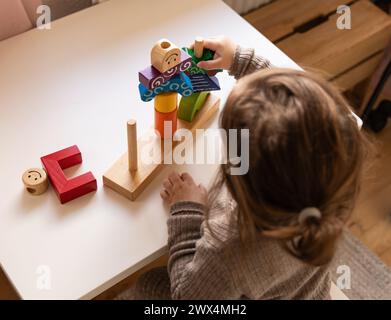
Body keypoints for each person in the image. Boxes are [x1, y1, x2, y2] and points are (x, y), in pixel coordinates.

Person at [133, 37, 369, 299]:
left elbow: (188, 298)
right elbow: (296, 107)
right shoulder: (333, 180)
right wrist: (240, 61)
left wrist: (188, 212)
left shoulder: (228, 250)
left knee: (148, 283)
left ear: (240, 176)